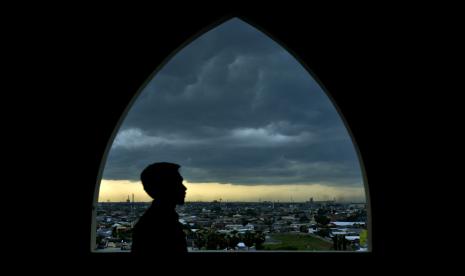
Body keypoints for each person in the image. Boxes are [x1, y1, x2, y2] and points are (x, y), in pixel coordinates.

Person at [131, 162, 188, 256]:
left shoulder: (155, 219)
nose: (184, 188)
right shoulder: (156, 224)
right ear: (165, 187)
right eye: (178, 183)